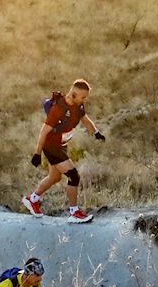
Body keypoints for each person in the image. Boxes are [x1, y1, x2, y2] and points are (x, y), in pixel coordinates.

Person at [22, 80, 104, 224]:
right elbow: (44, 132)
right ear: (73, 94)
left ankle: (32, 199)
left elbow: (85, 119)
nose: (84, 100)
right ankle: (74, 212)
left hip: (62, 145)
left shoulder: (78, 105)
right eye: (83, 97)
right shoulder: (59, 109)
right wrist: (37, 153)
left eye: (86, 97)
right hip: (51, 146)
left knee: (54, 177)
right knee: (73, 176)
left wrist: (96, 132)